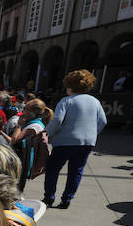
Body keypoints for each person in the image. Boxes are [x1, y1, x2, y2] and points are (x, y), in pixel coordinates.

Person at [43, 69, 107, 209]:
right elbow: (103, 121)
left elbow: (58, 120)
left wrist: (46, 132)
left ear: (70, 86)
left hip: (65, 141)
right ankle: (67, 199)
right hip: (87, 142)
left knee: (53, 168)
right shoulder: (95, 101)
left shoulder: (66, 101)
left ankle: (49, 197)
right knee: (76, 170)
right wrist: (93, 134)